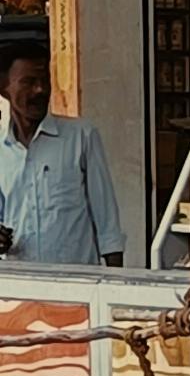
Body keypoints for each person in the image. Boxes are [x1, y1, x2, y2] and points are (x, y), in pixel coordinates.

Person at [0, 44, 123, 266]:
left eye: (44, 81)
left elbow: (108, 223)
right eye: (28, 82)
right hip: (21, 280)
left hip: (76, 281)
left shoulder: (81, 136)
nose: (40, 90)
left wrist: (117, 281)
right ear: (4, 88)